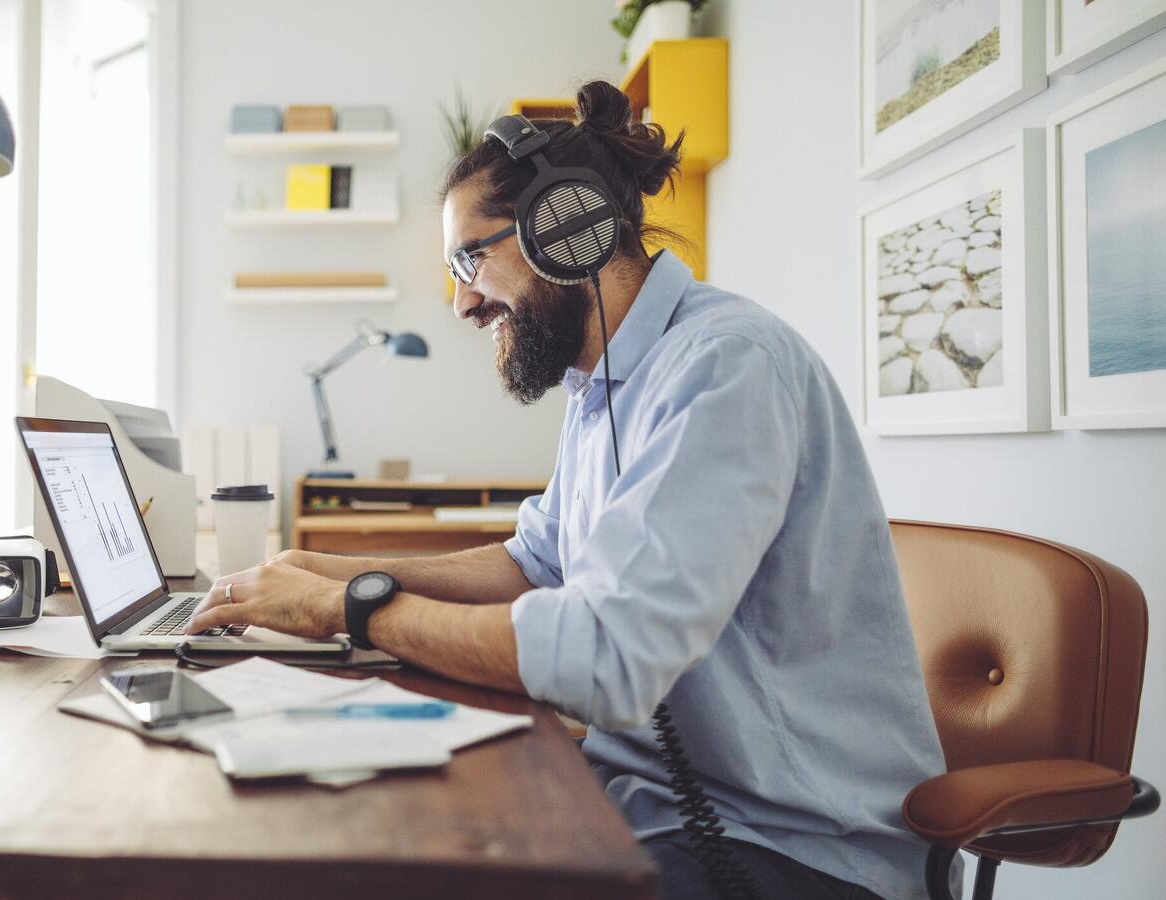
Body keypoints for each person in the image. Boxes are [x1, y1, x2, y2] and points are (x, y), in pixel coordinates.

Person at [189, 80, 945, 900]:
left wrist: (351, 609)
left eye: (468, 258)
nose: (461, 301)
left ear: (566, 228)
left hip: (790, 847)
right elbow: (537, 562)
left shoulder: (727, 368)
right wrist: (327, 570)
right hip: (646, 806)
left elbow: (604, 659)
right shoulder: (601, 384)